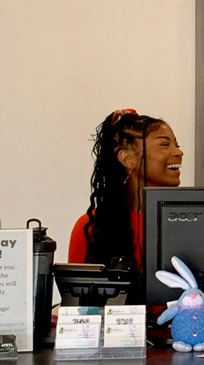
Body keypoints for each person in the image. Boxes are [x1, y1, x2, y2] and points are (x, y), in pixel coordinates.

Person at [67, 109, 183, 278]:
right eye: (165, 145)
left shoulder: (190, 222)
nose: (179, 152)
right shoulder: (92, 227)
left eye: (176, 145)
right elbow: (77, 300)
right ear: (128, 159)